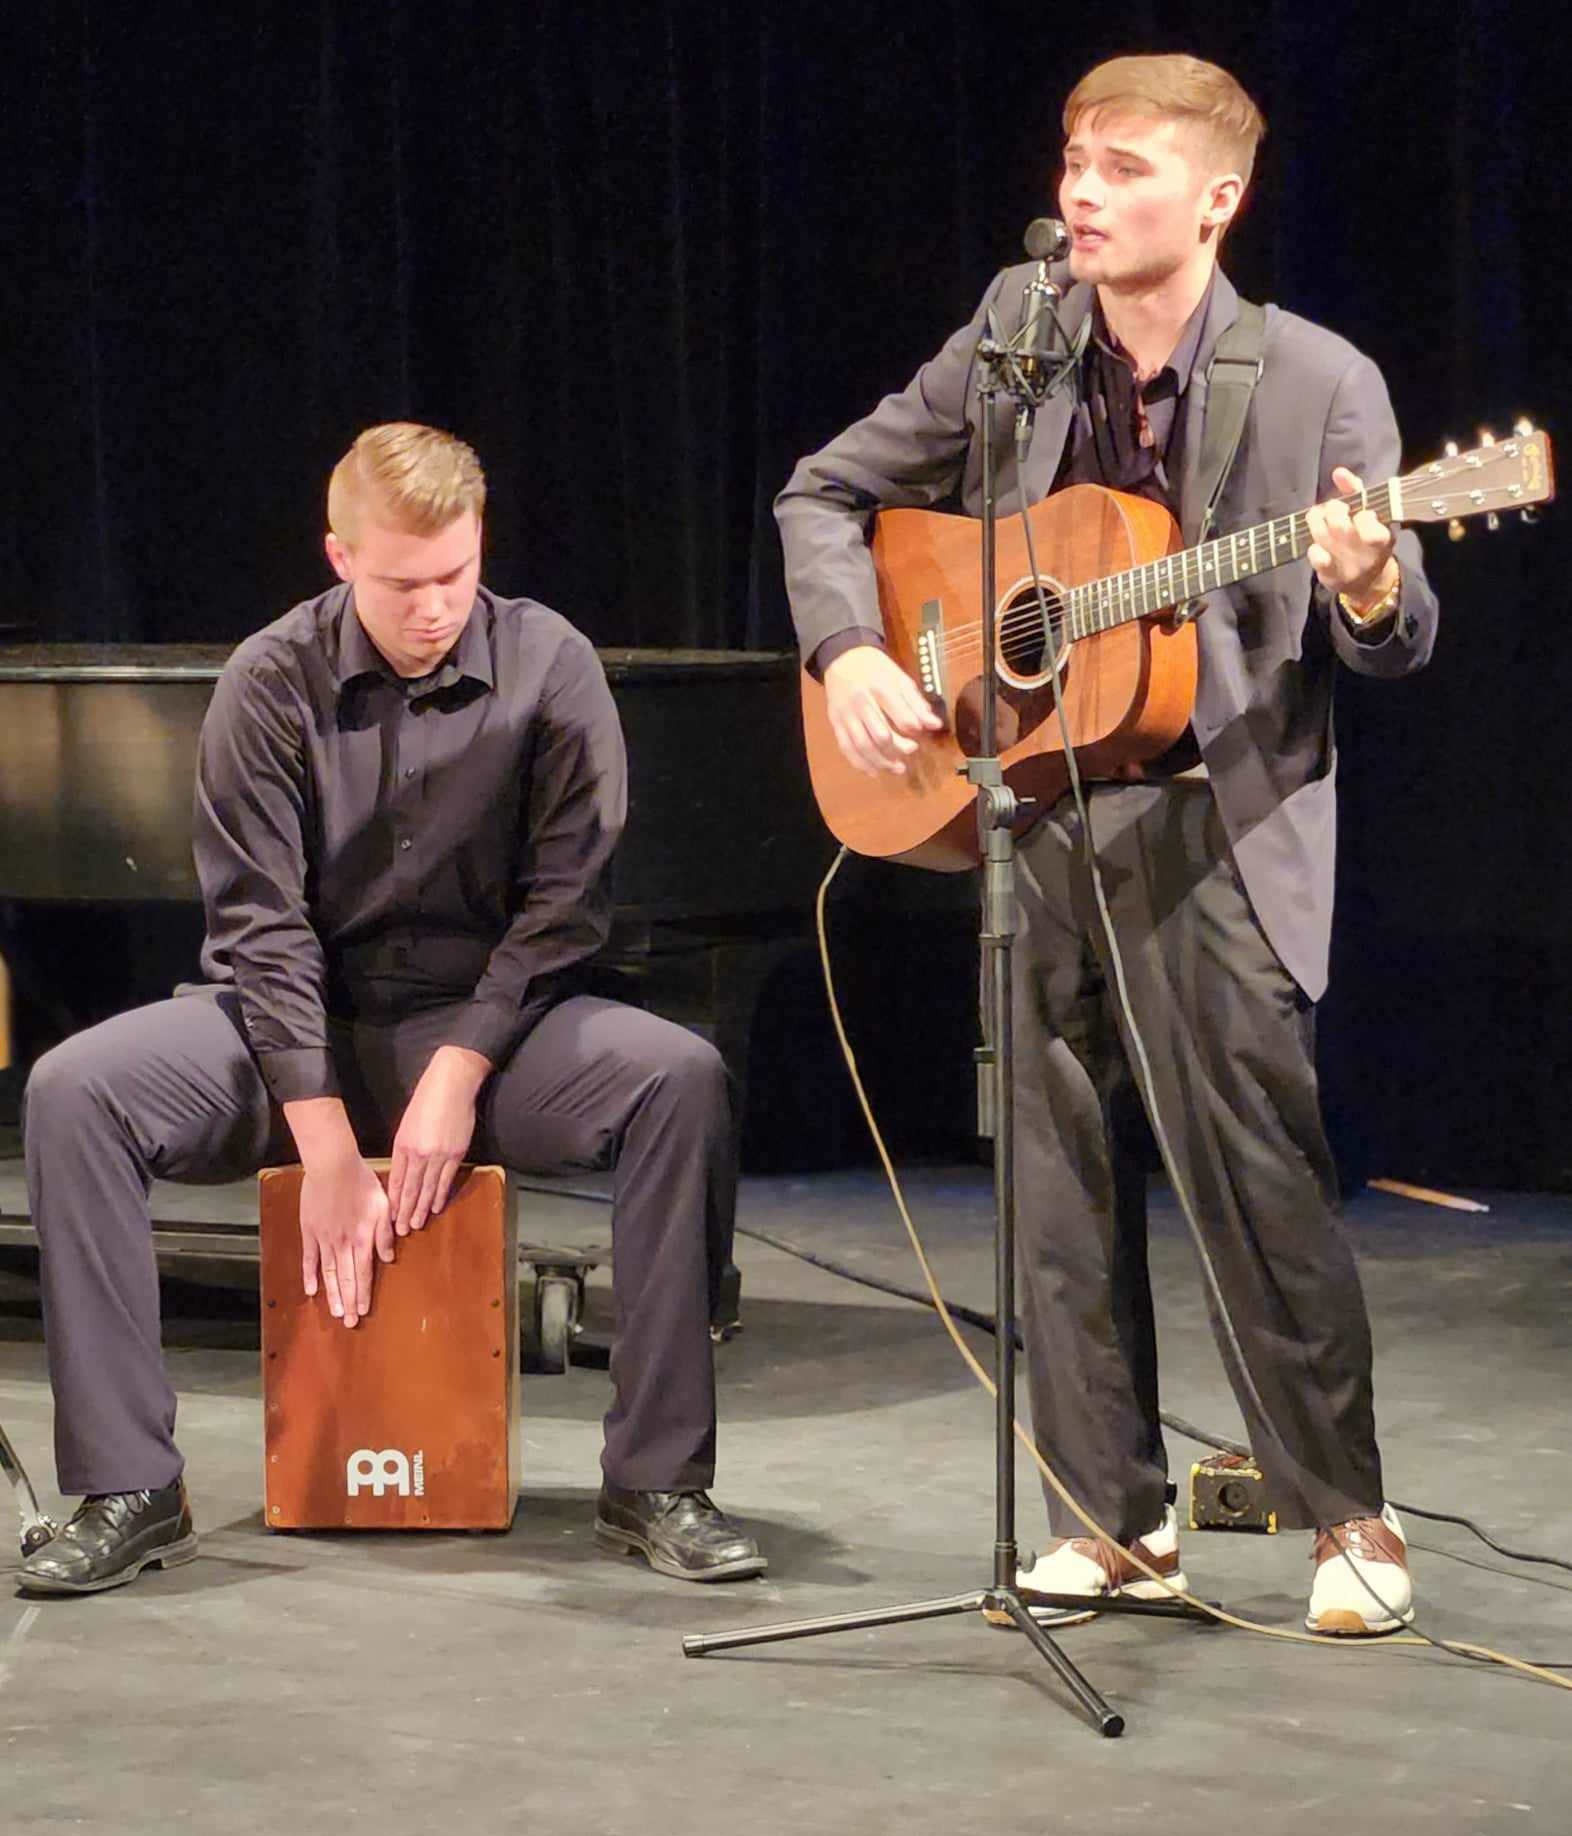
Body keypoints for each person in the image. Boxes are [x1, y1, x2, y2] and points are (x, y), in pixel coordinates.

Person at [776, 54, 1437, 1635]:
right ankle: (1110, 1520)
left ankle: (1351, 1517)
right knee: (1051, 1178)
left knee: (1254, 1178)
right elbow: (824, 492)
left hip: (1219, 820)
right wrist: (853, 651)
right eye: (1075, 159)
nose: (1084, 190)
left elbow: (1399, 632)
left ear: (1215, 199)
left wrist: (1358, 583)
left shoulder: (1316, 379)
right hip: (1035, 806)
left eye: (1125, 167)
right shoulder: (1018, 337)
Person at [19, 422, 764, 1594]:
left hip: (493, 1032)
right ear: (339, 558)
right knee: (74, 1090)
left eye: (456, 578)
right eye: (403, 583)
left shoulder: (549, 663)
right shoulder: (269, 681)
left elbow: (566, 907)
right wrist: (324, 1142)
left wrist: (460, 1073)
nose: (433, 609)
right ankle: (126, 1485)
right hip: (290, 1031)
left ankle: (658, 1479)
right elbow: (259, 927)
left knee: (678, 1076)